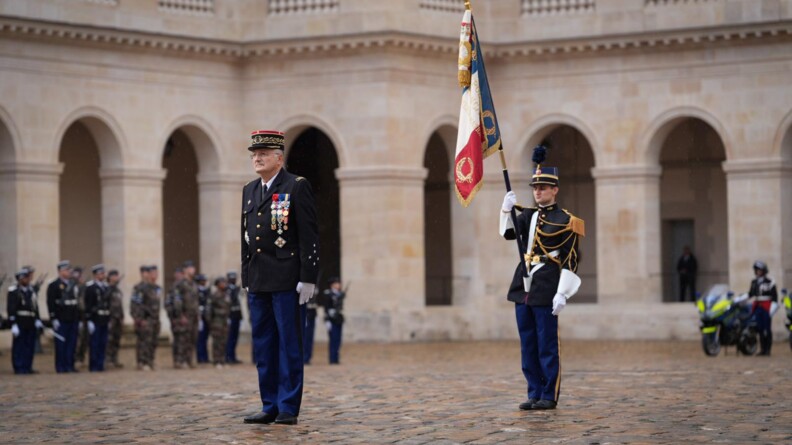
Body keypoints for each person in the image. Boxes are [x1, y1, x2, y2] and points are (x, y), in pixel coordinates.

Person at [241, 130, 319, 426]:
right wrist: (246, 274)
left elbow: (309, 234)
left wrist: (308, 276)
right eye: (254, 155)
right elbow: (246, 238)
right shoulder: (249, 190)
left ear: (279, 157)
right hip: (259, 280)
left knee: (289, 344)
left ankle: (288, 405)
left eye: (263, 154)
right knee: (263, 345)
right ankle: (269, 403)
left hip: (288, 280)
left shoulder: (296, 186)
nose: (257, 159)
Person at [500, 145, 584, 411]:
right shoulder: (528, 215)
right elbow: (509, 235)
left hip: (547, 284)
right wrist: (506, 211)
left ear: (555, 189)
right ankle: (534, 391)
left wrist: (563, 292)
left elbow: (570, 258)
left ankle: (548, 394)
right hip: (523, 284)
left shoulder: (567, 220)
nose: (538, 192)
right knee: (528, 344)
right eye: (535, 188)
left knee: (546, 343)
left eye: (543, 188)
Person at [47, 260, 81, 373]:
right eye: (66, 269)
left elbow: (76, 303)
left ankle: (70, 365)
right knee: (61, 344)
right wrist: (53, 318)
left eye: (69, 269)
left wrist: (79, 318)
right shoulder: (54, 285)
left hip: (73, 317)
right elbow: (51, 303)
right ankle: (61, 366)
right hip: (61, 318)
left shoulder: (73, 284)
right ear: (60, 271)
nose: (69, 271)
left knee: (72, 343)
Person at [8, 267, 43, 374]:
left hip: (30, 321)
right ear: (20, 279)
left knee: (29, 345)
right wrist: (13, 324)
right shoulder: (14, 291)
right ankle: (19, 366)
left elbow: (35, 306)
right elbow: (11, 308)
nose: (28, 280)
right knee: (19, 345)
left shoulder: (31, 291)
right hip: (20, 321)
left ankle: (27, 366)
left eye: (28, 277)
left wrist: (38, 319)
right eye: (25, 278)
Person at [131, 265, 161, 371]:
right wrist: (138, 318)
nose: (154, 275)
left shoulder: (156, 288)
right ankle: (142, 361)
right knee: (144, 341)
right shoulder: (139, 288)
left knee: (153, 341)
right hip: (145, 319)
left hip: (155, 319)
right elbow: (135, 304)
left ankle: (150, 360)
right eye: (152, 273)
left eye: (155, 273)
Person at [84, 264, 111, 372]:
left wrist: (109, 319)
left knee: (103, 343)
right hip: (95, 319)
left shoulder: (106, 287)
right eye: (100, 273)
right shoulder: (90, 288)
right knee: (94, 343)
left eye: (103, 273)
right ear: (95, 275)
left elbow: (108, 304)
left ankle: (100, 364)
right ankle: (93, 365)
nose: (102, 275)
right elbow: (88, 304)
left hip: (104, 318)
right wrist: (89, 320)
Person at [748, 261, 778, 356]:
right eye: (757, 270)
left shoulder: (770, 282)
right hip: (758, 306)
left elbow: (774, 296)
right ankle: (762, 349)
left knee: (767, 329)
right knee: (759, 328)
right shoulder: (754, 282)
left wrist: (772, 308)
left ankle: (768, 349)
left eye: (760, 270)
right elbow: (751, 294)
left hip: (766, 306)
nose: (758, 272)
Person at [174, 261, 200, 368]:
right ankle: (181, 361)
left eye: (193, 267)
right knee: (183, 338)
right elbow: (177, 301)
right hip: (185, 315)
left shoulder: (193, 284)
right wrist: (180, 315)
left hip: (193, 315)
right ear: (185, 270)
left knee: (192, 338)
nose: (193, 270)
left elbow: (196, 300)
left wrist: (198, 314)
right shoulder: (180, 284)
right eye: (190, 268)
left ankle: (189, 359)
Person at [209, 276, 231, 369]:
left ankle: (222, 360)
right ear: (218, 285)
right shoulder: (215, 295)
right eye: (222, 283)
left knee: (224, 341)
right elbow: (209, 310)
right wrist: (210, 322)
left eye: (225, 282)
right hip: (217, 321)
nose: (224, 284)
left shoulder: (226, 294)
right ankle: (216, 360)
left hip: (225, 321)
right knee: (217, 342)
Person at [322, 277, 345, 365]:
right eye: (337, 283)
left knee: (338, 340)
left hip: (338, 319)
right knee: (333, 339)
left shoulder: (340, 294)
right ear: (332, 285)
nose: (338, 285)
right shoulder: (328, 294)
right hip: (331, 319)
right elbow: (326, 308)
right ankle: (332, 359)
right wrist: (327, 320)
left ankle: (336, 358)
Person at [105, 269, 125, 368]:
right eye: (115, 276)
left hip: (118, 318)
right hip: (110, 318)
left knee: (117, 339)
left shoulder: (118, 291)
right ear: (110, 278)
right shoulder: (107, 289)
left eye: (117, 276)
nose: (117, 278)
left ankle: (115, 359)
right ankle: (108, 360)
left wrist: (122, 317)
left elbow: (120, 305)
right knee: (109, 339)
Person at [225, 271, 244, 365]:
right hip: (230, 315)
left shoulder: (236, 289)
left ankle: (232, 356)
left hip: (236, 315)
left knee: (235, 337)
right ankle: (228, 356)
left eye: (234, 278)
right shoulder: (227, 289)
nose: (233, 280)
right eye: (231, 278)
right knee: (230, 337)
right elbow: (228, 302)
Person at [195, 273, 211, 364]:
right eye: (202, 281)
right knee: (200, 338)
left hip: (206, 317)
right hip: (199, 317)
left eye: (204, 280)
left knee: (205, 337)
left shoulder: (207, 291)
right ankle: (200, 357)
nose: (204, 282)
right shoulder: (196, 290)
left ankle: (205, 357)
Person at [303, 286, 318, 365]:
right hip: (306, 314)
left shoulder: (315, 287)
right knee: (305, 337)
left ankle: (308, 357)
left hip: (312, 314)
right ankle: (304, 357)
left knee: (310, 338)